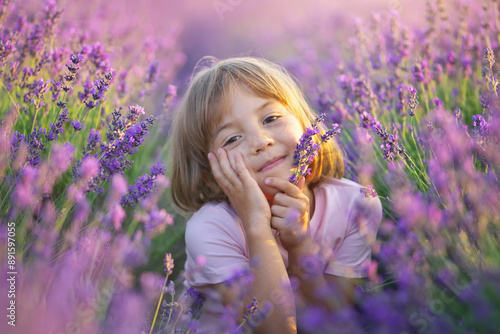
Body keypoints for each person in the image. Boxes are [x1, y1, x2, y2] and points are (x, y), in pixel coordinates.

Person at [169, 56, 383, 333]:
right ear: (210, 174)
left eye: (271, 118)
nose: (260, 141)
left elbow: (331, 320)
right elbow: (275, 329)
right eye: (232, 138)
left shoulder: (357, 205)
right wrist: (257, 224)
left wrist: (300, 247)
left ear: (306, 124)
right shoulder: (210, 228)